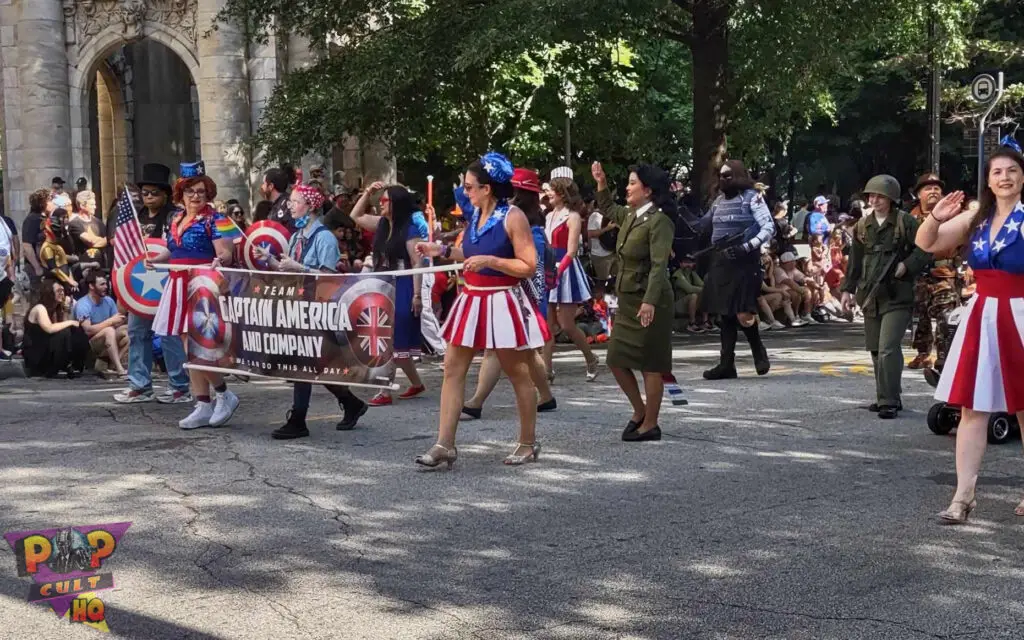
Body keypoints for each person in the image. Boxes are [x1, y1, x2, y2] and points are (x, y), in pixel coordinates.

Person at [414, 153, 550, 467]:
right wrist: (443, 249)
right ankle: (444, 444)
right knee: (452, 369)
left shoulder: (512, 216)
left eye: (470, 186)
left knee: (517, 373)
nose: (466, 192)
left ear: (487, 189)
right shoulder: (475, 214)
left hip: (502, 299)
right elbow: (472, 252)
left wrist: (491, 262)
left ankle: (528, 443)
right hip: (472, 299)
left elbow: (528, 265)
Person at [915, 147, 1024, 523]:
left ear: (1023, 176)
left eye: (1012, 170)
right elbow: (927, 243)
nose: (1004, 178)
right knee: (972, 407)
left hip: (1022, 312)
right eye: (997, 172)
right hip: (984, 313)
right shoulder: (977, 216)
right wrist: (935, 216)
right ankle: (962, 497)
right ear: (988, 179)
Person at [257, 184, 370, 439]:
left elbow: (330, 279)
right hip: (300, 307)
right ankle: (351, 403)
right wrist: (270, 259)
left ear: (310, 206)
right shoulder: (296, 236)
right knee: (312, 365)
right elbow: (289, 269)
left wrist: (299, 268)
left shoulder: (324, 238)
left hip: (319, 309)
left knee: (306, 364)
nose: (289, 206)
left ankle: (299, 419)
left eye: (295, 202)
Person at [462, 167, 557, 420]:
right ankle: (546, 395)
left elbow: (527, 266)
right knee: (525, 349)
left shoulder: (519, 221)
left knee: (497, 346)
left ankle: (476, 401)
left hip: (521, 291)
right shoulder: (507, 217)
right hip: (517, 290)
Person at [150, 161, 239, 430]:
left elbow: (226, 252)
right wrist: (156, 259)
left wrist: (218, 260)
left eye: (201, 191)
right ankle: (202, 403)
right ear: (181, 193)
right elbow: (173, 251)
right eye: (190, 191)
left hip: (201, 285)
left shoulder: (217, 218)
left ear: (208, 193)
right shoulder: (176, 218)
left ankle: (224, 393)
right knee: (188, 348)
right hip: (177, 283)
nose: (196, 196)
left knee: (199, 346)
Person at [591, 161, 676, 441]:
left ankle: (650, 424)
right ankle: (639, 411)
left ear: (648, 190)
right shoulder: (630, 215)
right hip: (628, 300)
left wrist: (650, 301)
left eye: (632, 183)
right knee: (616, 358)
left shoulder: (659, 221)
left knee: (651, 363)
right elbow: (607, 207)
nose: (627, 188)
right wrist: (601, 181)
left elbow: (659, 265)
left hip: (650, 300)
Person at [840, 175, 931, 419]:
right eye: (871, 196)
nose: (874, 200)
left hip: (898, 295)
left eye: (880, 196)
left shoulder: (906, 223)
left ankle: (889, 401)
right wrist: (847, 290)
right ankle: (886, 397)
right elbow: (855, 262)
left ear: (891, 198)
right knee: (875, 350)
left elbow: (925, 249)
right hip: (870, 294)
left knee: (888, 347)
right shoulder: (862, 226)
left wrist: (907, 266)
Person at [114, 166, 193, 404]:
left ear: (165, 194)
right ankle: (140, 385)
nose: (148, 197)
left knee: (169, 333)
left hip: (168, 282)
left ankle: (179, 385)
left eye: (154, 193)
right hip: (139, 286)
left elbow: (178, 247)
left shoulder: (175, 217)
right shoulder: (136, 217)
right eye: (145, 192)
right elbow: (126, 253)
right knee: (138, 332)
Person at [349, 181, 426, 405]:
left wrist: (417, 294)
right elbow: (355, 214)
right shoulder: (382, 223)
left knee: (394, 338)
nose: (380, 203)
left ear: (396, 204)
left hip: (403, 283)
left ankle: (384, 390)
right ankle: (414, 384)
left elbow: (417, 262)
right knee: (384, 336)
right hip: (382, 281)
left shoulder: (410, 228)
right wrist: (368, 192)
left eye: (385, 200)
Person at [699, 160, 776, 380]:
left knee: (744, 313)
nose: (723, 180)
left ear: (739, 176)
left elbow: (768, 227)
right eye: (721, 176)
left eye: (728, 176)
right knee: (725, 313)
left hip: (745, 260)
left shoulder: (753, 198)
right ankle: (726, 364)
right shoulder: (719, 201)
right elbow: (704, 224)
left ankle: (758, 351)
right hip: (721, 260)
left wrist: (747, 246)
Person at [543, 176, 600, 382]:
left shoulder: (573, 216)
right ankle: (546, 370)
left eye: (552, 190)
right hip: (549, 267)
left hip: (566, 271)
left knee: (566, 324)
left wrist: (558, 272)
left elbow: (572, 250)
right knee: (548, 325)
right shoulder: (548, 216)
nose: (548, 193)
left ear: (562, 193)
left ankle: (591, 358)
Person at [907, 173, 958, 376]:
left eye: (937, 188)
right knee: (920, 316)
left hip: (944, 273)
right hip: (918, 275)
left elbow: (965, 242)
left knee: (946, 316)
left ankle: (944, 356)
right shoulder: (910, 217)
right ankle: (923, 353)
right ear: (919, 194)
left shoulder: (952, 214)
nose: (933, 191)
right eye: (928, 188)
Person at [22, 280, 89, 378]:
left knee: (77, 331)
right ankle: (60, 366)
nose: (62, 293)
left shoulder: (55, 309)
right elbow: (49, 328)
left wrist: (66, 311)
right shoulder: (40, 308)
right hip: (36, 354)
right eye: (58, 291)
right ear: (49, 292)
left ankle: (76, 366)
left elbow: (64, 326)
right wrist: (71, 322)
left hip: (47, 349)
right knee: (64, 332)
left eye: (63, 290)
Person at [74, 272, 128, 376]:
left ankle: (111, 364)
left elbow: (117, 321)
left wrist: (121, 318)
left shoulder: (108, 300)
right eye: (102, 284)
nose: (106, 287)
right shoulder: (83, 304)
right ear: (91, 286)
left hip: (108, 337)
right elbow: (88, 330)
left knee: (128, 331)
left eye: (106, 284)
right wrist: (110, 322)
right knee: (109, 330)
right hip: (89, 343)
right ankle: (119, 369)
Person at [68, 190, 108, 272]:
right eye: (92, 204)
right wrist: (103, 240)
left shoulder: (98, 222)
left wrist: (103, 241)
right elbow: (90, 241)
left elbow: (107, 240)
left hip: (101, 265)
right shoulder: (74, 224)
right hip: (85, 267)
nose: (95, 207)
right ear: (82, 205)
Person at [39, 211, 78, 291]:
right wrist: (69, 280)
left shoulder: (58, 247)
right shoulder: (47, 248)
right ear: (46, 233)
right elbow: (54, 269)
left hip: (65, 282)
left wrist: (71, 279)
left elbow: (65, 265)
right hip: (54, 283)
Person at [22, 189, 50, 293]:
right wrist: (37, 267)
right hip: (35, 268)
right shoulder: (32, 219)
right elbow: (26, 246)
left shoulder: (44, 217)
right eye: (50, 199)